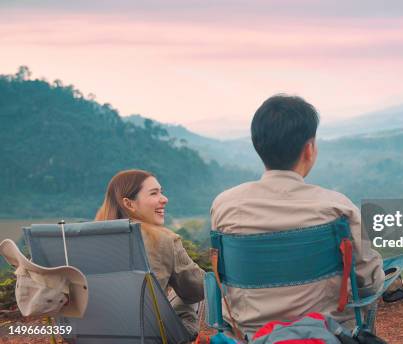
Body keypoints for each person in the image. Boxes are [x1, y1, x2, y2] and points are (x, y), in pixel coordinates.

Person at [210, 94, 384, 337]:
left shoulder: (225, 206)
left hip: (251, 335)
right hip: (327, 335)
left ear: (258, 145)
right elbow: (368, 283)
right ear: (309, 149)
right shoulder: (337, 207)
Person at [94, 169, 204, 337]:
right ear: (129, 203)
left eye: (162, 192)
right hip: (151, 336)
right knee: (189, 291)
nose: (164, 199)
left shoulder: (90, 239)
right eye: (154, 193)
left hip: (95, 335)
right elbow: (198, 290)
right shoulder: (164, 240)